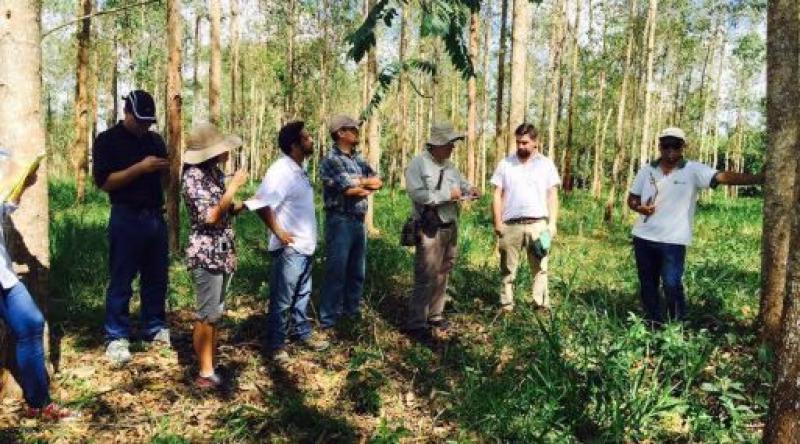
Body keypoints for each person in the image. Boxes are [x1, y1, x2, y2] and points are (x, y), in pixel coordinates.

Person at [627, 127, 764, 324]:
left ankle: (677, 324)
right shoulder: (647, 170)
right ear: (660, 146)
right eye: (666, 145)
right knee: (648, 284)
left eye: (675, 145)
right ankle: (653, 323)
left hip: (673, 241)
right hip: (643, 238)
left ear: (683, 147)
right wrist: (640, 208)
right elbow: (632, 199)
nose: (670, 149)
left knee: (672, 284)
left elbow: (721, 177)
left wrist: (758, 178)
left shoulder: (693, 170)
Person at [92, 90, 171, 365]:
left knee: (156, 277)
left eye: (148, 122)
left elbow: (165, 182)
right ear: (126, 113)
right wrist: (140, 168)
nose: (144, 127)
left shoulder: (155, 140)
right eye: (139, 121)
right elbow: (104, 182)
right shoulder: (107, 141)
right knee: (122, 278)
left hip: (155, 217)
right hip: (125, 216)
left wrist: (163, 171)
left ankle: (155, 327)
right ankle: (116, 336)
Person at [0, 148, 78, 421]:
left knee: (31, 323)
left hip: (3, 275)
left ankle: (38, 403)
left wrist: (21, 185)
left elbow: (4, 207)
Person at [245, 121, 329, 363]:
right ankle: (276, 344)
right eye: (307, 137)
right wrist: (280, 233)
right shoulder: (281, 169)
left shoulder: (298, 169)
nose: (312, 140)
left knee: (302, 294)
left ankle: (301, 333)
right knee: (282, 299)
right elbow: (260, 202)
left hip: (304, 247)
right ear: (294, 145)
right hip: (290, 250)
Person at [181, 123, 247, 389]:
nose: (227, 152)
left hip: (221, 252)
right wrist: (233, 188)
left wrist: (238, 206)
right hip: (206, 253)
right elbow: (209, 217)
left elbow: (222, 208)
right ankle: (205, 374)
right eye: (222, 148)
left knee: (213, 314)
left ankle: (209, 365)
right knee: (207, 315)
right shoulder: (193, 178)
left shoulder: (213, 173)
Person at [404, 121, 479, 342]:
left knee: (444, 271)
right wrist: (449, 194)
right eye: (450, 143)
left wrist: (471, 190)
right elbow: (417, 193)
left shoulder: (450, 166)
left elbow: (462, 185)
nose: (453, 147)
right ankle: (416, 322)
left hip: (450, 225)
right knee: (426, 274)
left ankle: (435, 315)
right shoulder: (418, 164)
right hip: (430, 227)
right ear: (438, 143)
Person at [318, 115, 383, 331]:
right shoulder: (331, 160)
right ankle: (328, 320)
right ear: (340, 133)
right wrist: (362, 185)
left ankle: (351, 313)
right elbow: (348, 189)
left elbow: (378, 181)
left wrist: (359, 184)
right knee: (336, 270)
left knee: (357, 271)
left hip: (358, 221)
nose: (356, 131)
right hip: (340, 220)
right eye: (351, 129)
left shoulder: (358, 160)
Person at [491, 123, 560, 313]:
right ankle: (506, 305)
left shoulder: (546, 165)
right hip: (511, 225)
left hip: (539, 225)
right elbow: (497, 194)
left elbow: (552, 195)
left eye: (525, 143)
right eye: (518, 142)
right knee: (507, 268)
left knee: (541, 266)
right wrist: (497, 222)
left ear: (535, 142)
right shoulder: (506, 164)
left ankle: (541, 305)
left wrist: (552, 224)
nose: (521, 146)